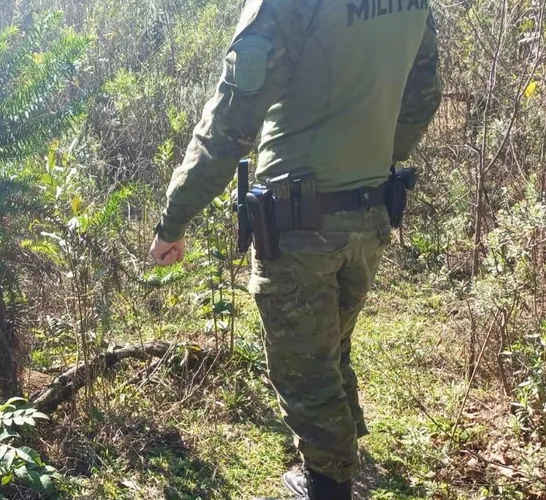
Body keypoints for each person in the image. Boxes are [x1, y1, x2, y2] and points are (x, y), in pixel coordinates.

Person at [149, 0, 442, 498]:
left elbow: (232, 118)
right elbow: (423, 96)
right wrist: (372, 159)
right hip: (370, 212)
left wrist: (174, 218)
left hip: (301, 224)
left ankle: (330, 484)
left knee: (304, 367)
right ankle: (342, 461)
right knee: (332, 345)